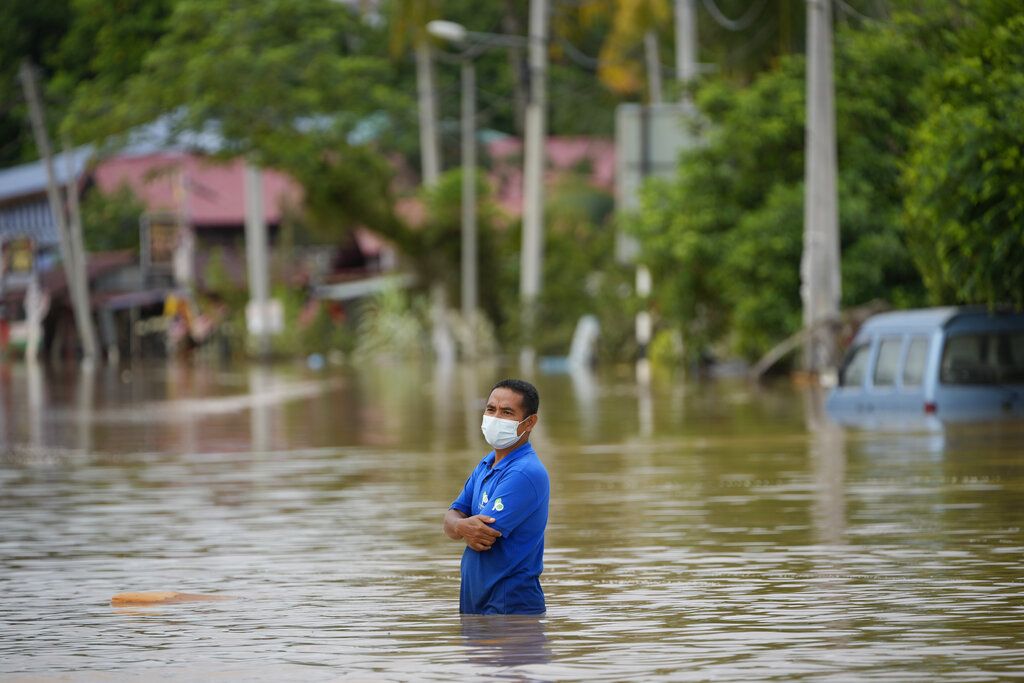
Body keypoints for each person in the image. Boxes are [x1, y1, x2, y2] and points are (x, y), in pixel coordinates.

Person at [444, 379, 549, 615]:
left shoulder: (524, 472)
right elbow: (451, 521)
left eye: (507, 412)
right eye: (491, 410)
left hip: (509, 605)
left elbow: (482, 535)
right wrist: (461, 525)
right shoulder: (486, 465)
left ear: (529, 422)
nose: (495, 418)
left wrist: (460, 525)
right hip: (477, 601)